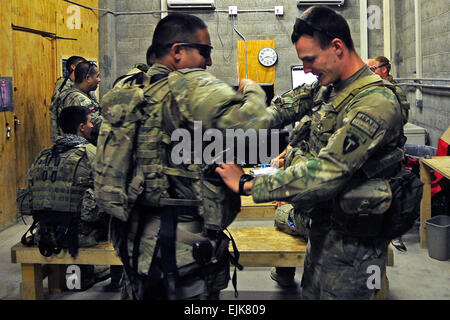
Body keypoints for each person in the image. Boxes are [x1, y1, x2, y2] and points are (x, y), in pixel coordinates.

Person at [99, 13, 299, 300]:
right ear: (177, 51)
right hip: (180, 243)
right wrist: (252, 88)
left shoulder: (130, 88)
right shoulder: (190, 85)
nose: (209, 62)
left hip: (134, 238)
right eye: (205, 51)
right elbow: (255, 123)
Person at [216, 6, 409, 300]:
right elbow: (282, 108)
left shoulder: (375, 101)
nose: (306, 69)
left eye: (310, 59)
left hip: (354, 245)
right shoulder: (330, 88)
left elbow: (328, 170)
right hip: (321, 229)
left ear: (337, 47)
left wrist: (248, 183)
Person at [20, 106, 109, 290]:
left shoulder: (43, 155)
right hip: (79, 237)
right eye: (91, 121)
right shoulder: (91, 154)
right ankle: (114, 278)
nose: (93, 125)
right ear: (82, 127)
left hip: (44, 234)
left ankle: (78, 276)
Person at [59, 61, 102, 144]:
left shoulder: (85, 94)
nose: (99, 80)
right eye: (97, 76)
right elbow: (97, 124)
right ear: (88, 78)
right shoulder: (78, 99)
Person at [50, 56, 87, 142]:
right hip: (66, 132)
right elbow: (58, 107)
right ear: (73, 67)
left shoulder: (81, 84)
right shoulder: (64, 84)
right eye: (81, 65)